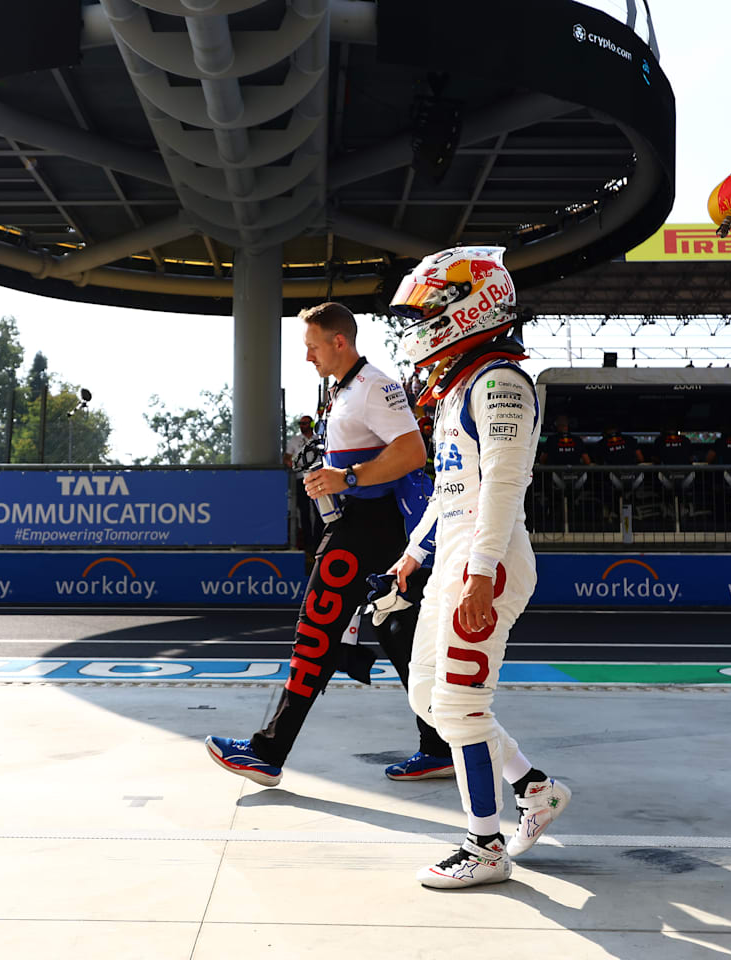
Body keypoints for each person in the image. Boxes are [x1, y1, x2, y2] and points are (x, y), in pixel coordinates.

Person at [206, 302, 457, 787]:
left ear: (338, 342)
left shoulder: (374, 386)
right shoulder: (344, 390)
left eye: (312, 346)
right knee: (398, 635)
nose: (307, 357)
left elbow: (412, 451)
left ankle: (267, 751)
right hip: (363, 525)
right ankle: (440, 745)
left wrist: (347, 476)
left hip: (365, 528)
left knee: (316, 629)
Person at [387, 245, 570, 889]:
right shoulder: (463, 383)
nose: (417, 325)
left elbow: (503, 485)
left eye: (428, 308)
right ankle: (534, 788)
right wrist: (413, 555)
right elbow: (450, 488)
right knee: (428, 697)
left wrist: (481, 572)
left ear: (472, 304)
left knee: (461, 705)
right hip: (459, 557)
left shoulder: (500, 382)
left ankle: (484, 844)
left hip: (484, 559)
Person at [284, 414, 319, 550]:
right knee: (304, 511)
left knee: (319, 511)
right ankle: (308, 544)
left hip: (318, 475)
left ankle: (318, 541)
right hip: (301, 478)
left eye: (305, 423)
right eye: (300, 423)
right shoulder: (295, 440)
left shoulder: (318, 438)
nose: (302, 426)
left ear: (311, 425)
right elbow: (286, 457)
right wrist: (294, 466)